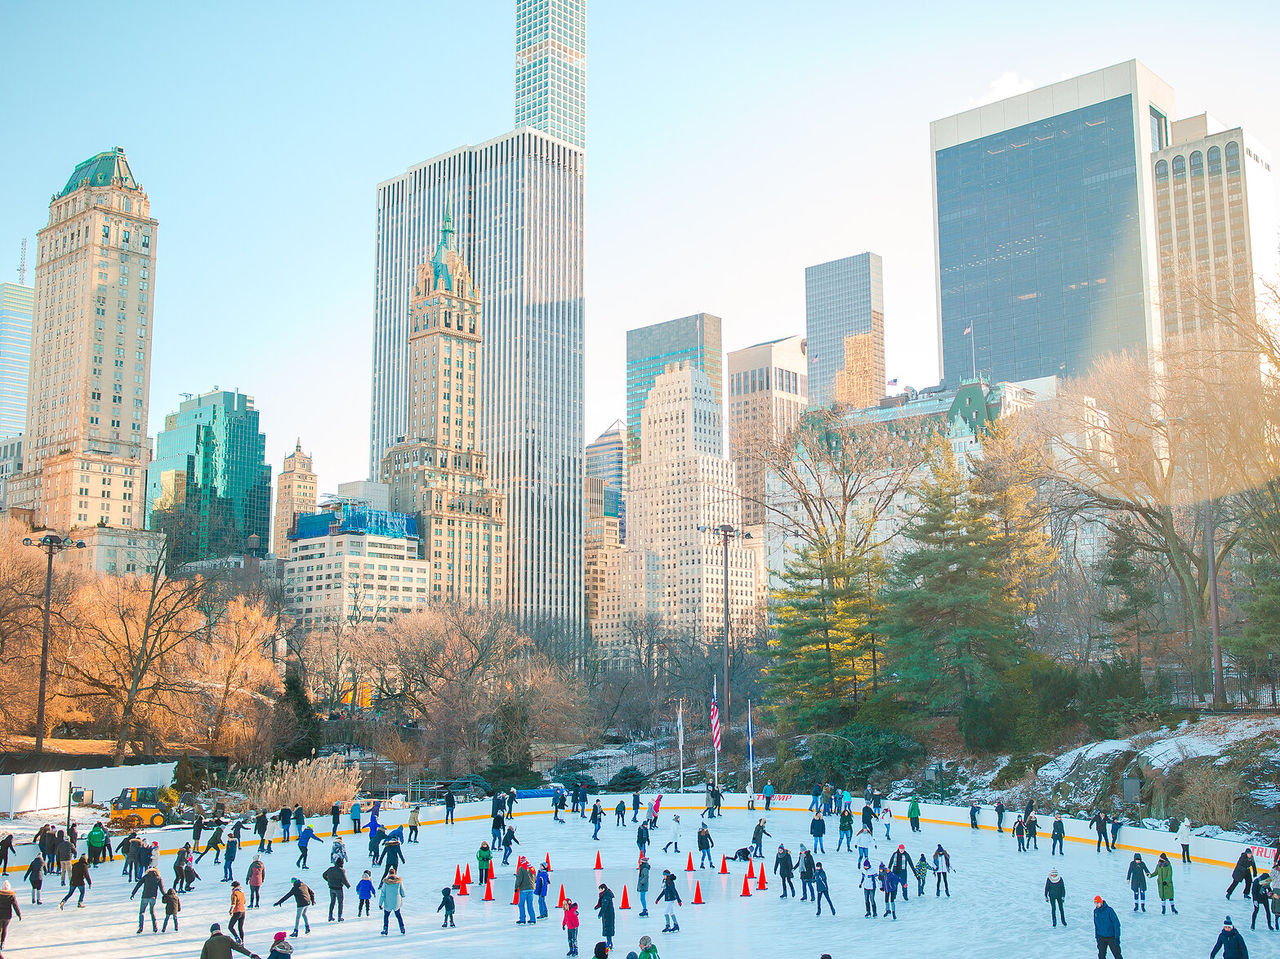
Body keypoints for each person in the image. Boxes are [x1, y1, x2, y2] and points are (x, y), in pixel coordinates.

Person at [131, 864, 164, 933]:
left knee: (142, 912)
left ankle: (141, 928)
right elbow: (162, 889)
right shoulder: (158, 878)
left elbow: (138, 885)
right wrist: (168, 896)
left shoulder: (146, 877)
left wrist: (133, 893)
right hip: (153, 897)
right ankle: (155, 927)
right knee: (152, 912)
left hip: (145, 897)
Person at [379, 867, 405, 935]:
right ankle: (402, 928)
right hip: (397, 902)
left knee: (386, 916)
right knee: (398, 915)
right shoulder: (399, 882)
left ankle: (385, 929)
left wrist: (380, 903)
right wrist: (402, 895)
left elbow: (383, 894)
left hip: (388, 902)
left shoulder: (386, 883)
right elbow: (403, 892)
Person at [322, 857, 348, 922]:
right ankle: (339, 917)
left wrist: (328, 880)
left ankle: (330, 916)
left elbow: (324, 875)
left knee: (332, 902)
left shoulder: (330, 869)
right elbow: (344, 880)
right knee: (340, 902)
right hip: (338, 889)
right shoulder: (341, 870)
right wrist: (348, 886)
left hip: (331, 888)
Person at [516, 858, 537, 924]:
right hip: (531, 889)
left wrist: (516, 887)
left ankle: (522, 919)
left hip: (523, 889)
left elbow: (519, 879)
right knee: (530, 904)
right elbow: (535, 878)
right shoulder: (531, 868)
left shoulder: (521, 869)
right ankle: (532, 919)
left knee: (521, 904)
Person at [595, 882, 616, 949]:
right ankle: (609, 942)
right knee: (608, 929)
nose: (600, 891)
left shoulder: (606, 896)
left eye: (600, 889)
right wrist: (597, 907)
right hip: (608, 915)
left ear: (603, 889)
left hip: (608, 915)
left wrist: (600, 914)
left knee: (608, 929)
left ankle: (609, 943)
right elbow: (602, 904)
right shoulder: (605, 895)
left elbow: (604, 906)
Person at [0, 879, 20, 947]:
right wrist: (19, 914)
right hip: (7, 915)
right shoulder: (11, 895)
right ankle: (2, 942)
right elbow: (15, 906)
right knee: (5, 928)